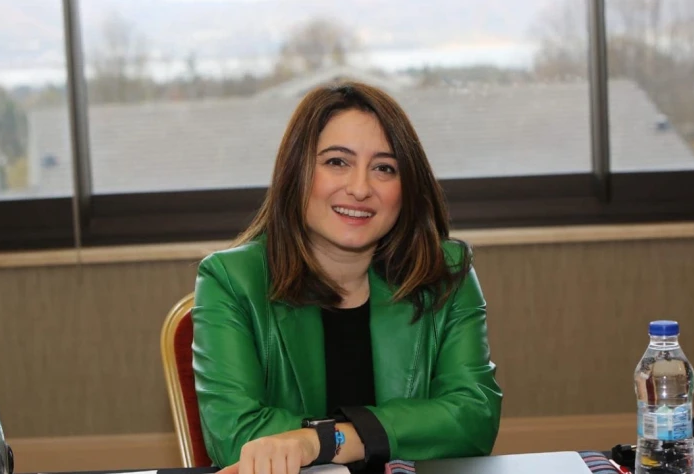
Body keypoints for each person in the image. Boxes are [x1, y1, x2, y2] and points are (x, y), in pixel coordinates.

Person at [191, 81, 502, 474]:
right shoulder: (231, 280)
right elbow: (234, 435)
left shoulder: (446, 272)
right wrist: (373, 435)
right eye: (337, 162)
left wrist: (324, 440)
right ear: (296, 172)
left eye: (384, 168)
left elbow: (474, 417)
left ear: (407, 187)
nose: (360, 189)